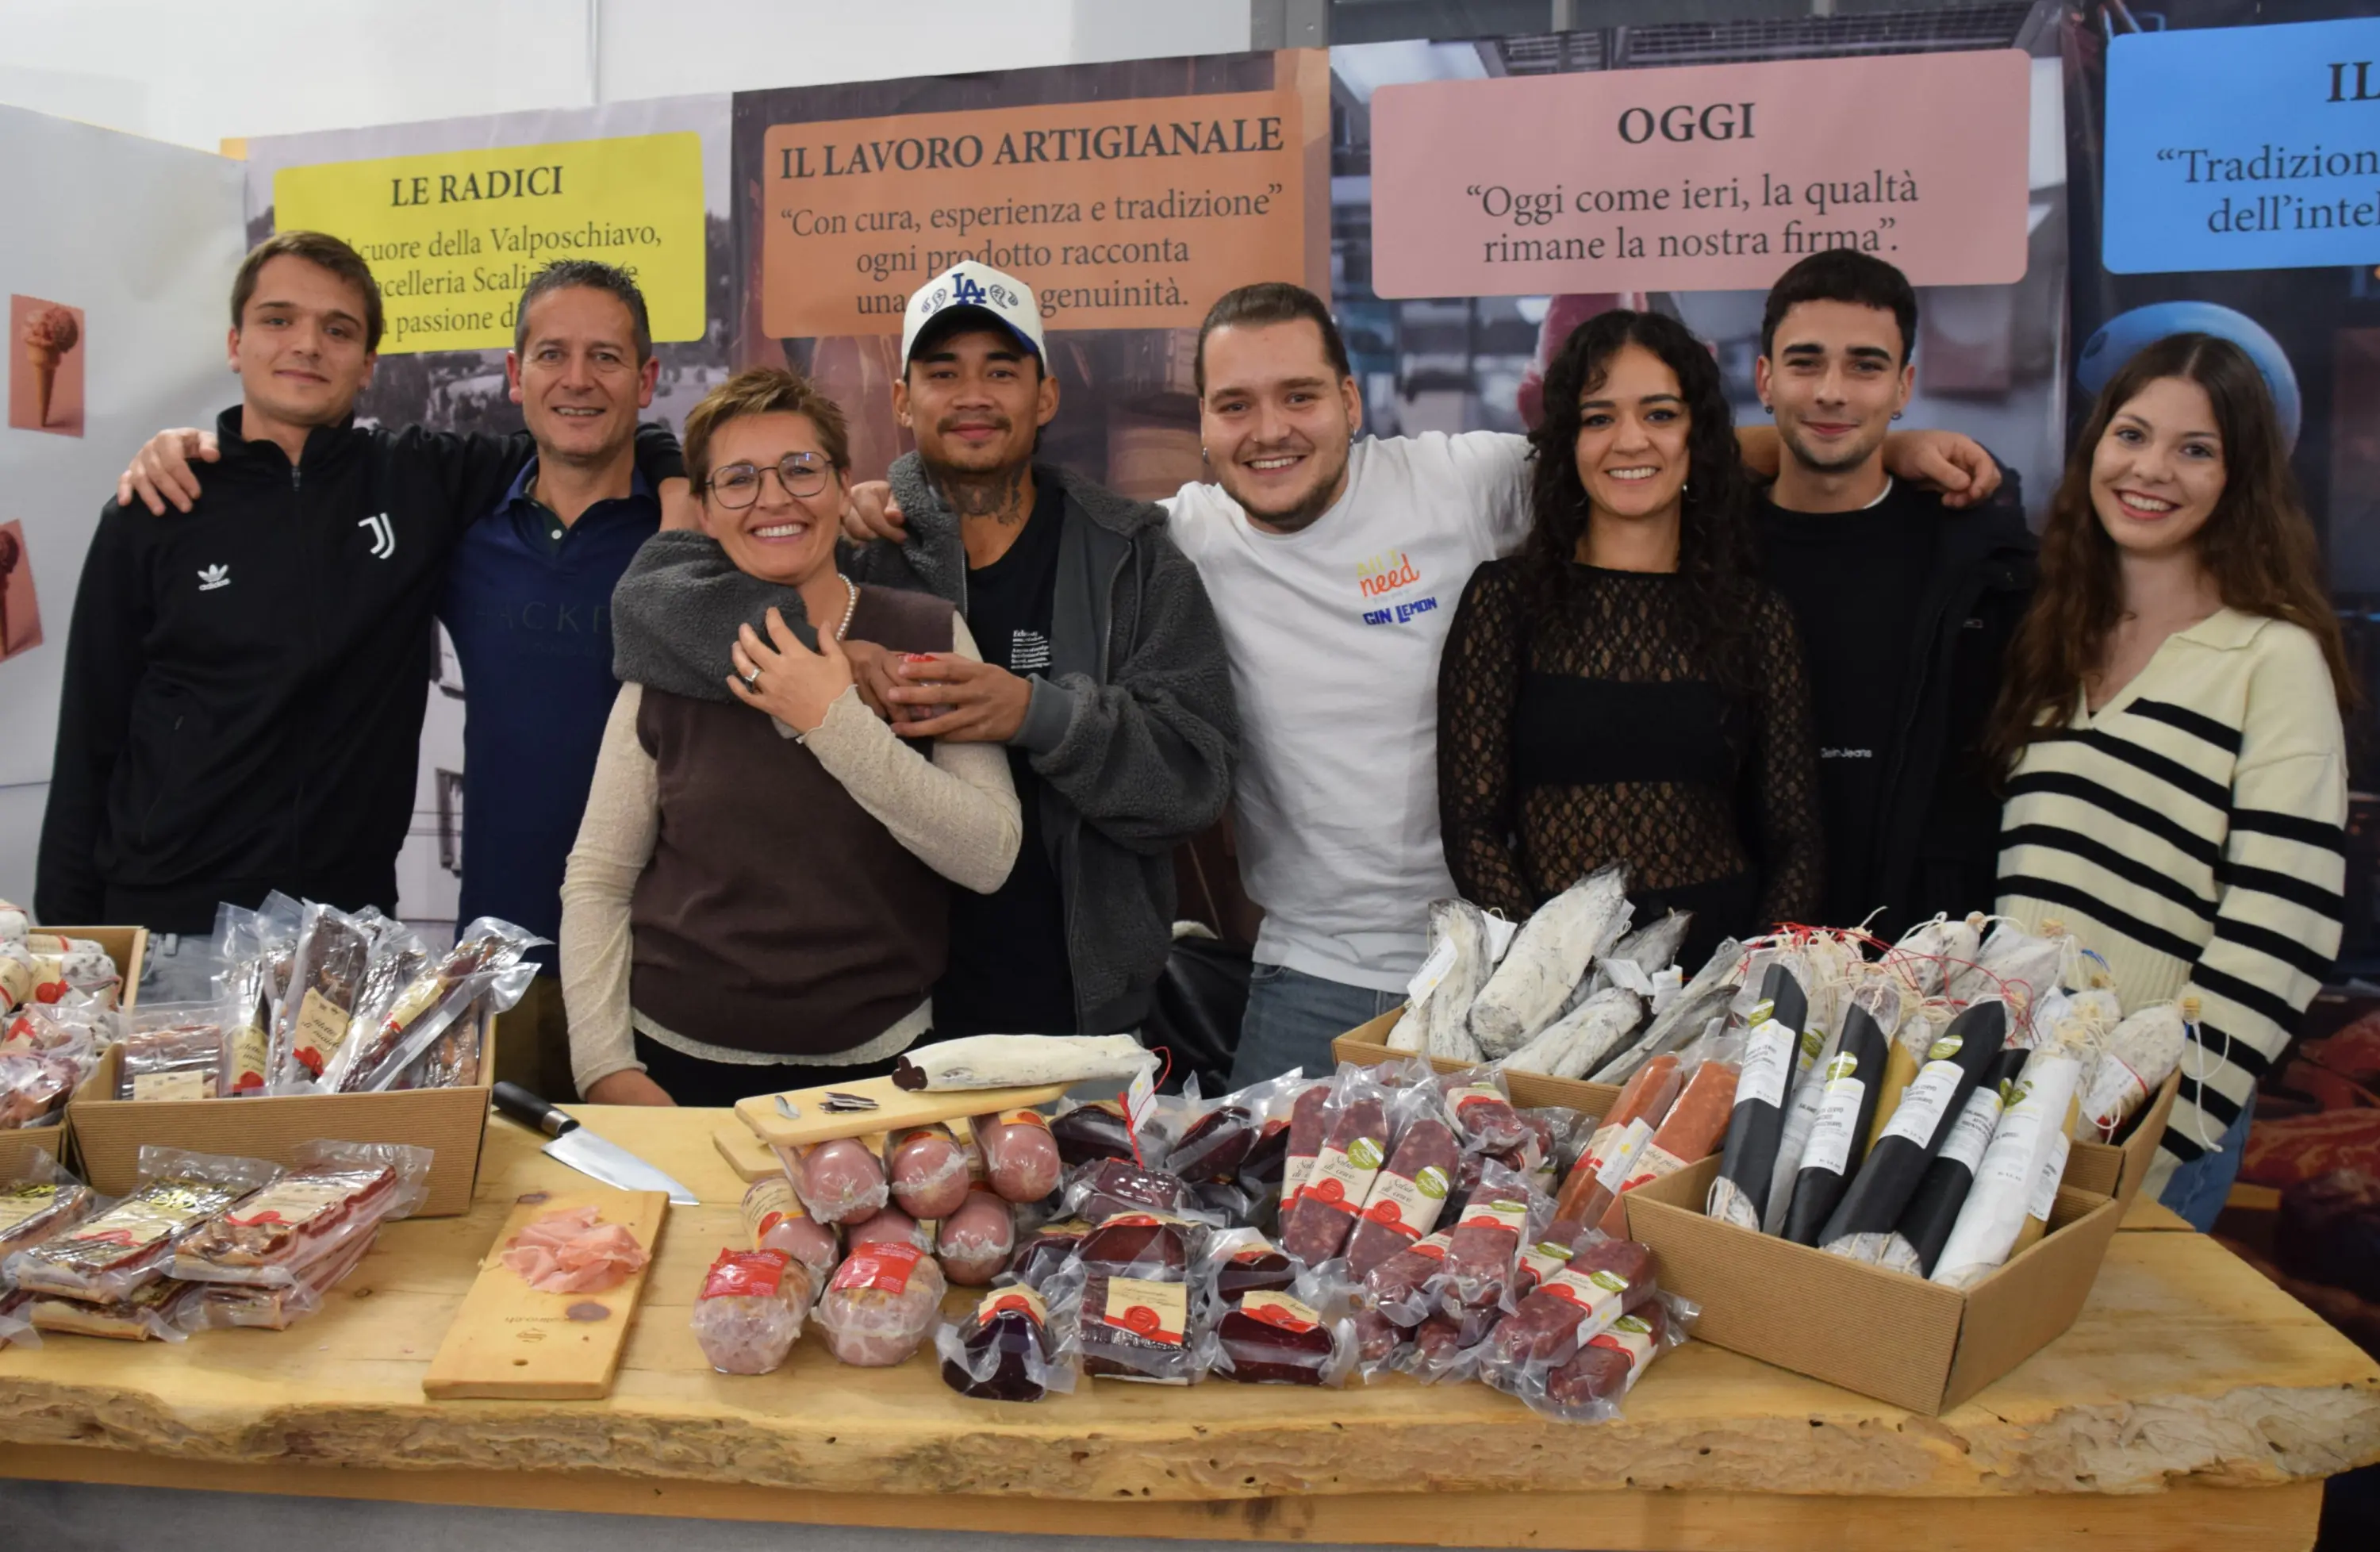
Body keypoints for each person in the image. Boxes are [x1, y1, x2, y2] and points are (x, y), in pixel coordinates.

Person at [851, 280, 1998, 1085]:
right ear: (1201, 427)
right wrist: (875, 504)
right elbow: (1020, 522)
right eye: (1234, 405)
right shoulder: (1175, 540)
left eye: (1300, 396)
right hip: (1319, 967)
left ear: (1354, 401)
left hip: (1523, 966)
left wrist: (1878, 452)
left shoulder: (1463, 484)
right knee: (1266, 1242)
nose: (1269, 431)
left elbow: (1646, 449)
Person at [36, 233, 687, 966]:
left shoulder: (419, 482)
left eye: (338, 329)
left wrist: (675, 480)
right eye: (279, 320)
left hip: (346, 935)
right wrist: (69, 951)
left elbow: (586, 431)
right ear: (234, 342)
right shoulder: (154, 507)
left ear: (369, 363)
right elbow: (88, 742)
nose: (307, 345)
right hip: (168, 935)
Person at [759, 262, 1236, 1041]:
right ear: (903, 402)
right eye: (944, 373)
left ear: (1044, 395)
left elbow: (1193, 779)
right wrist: (836, 639)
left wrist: (1039, 716)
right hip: (876, 1016)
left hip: (1082, 1015)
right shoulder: (846, 549)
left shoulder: (1133, 556)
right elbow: (670, 606)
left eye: (1001, 371)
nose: (973, 395)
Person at [560, 367, 1021, 1107]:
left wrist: (831, 720)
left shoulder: (925, 633)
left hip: (880, 1071)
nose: (773, 498)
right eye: (737, 480)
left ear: (843, 486)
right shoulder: (668, 652)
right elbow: (599, 878)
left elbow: (988, 855)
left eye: (800, 470)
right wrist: (605, 1066)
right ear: (705, 512)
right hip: (674, 1065)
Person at [1988, 332, 2350, 1230]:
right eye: (2133, 435)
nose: (2152, 469)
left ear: (2242, 479)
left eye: (2197, 450)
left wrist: (2152, 1130)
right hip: (2020, 1102)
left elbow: (2286, 927)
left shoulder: (2273, 657)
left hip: (2148, 1127)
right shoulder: (2060, 640)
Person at [1437, 309, 1822, 968]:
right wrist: (1550, 975)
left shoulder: (1758, 616)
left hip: (1717, 976)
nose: (1630, 440)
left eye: (1660, 414)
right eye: (1598, 417)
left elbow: (1798, 839)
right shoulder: (1505, 602)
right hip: (1551, 984)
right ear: (1568, 443)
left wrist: (1748, 978)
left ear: (1696, 436)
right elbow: (1472, 828)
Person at [1755, 251, 2036, 937]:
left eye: (1865, 366)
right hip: (1739, 946)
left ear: (1905, 386)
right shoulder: (1702, 548)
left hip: (1929, 954)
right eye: (1805, 362)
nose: (1832, 391)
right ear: (1765, 378)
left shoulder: (1982, 566)